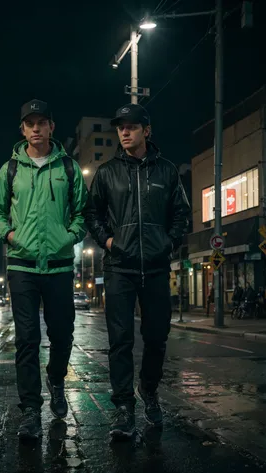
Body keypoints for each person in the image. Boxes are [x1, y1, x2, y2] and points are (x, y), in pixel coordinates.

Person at [84, 103, 190, 439]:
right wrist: (110, 241)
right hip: (119, 268)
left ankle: (149, 389)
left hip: (157, 267)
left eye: (131, 126)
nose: (124, 132)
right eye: (120, 127)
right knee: (120, 341)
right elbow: (92, 214)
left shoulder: (167, 172)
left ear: (147, 130)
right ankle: (123, 410)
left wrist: (167, 243)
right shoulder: (107, 173)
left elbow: (181, 213)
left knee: (157, 337)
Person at [0, 99, 88, 439]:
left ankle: (56, 379)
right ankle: (30, 410)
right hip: (22, 266)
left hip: (59, 266)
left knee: (62, 335)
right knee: (27, 340)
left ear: (51, 127)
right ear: (22, 129)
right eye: (29, 123)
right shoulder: (10, 169)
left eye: (41, 122)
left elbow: (82, 213)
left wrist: (70, 237)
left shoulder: (69, 168)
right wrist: (10, 235)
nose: (35, 128)